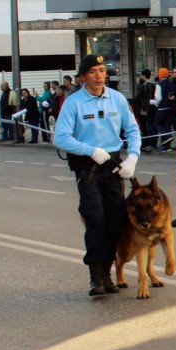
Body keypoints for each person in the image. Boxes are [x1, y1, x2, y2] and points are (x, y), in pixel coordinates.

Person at [54, 54, 142, 297]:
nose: (98, 75)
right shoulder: (74, 103)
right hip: (88, 166)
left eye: (102, 70)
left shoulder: (117, 99)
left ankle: (108, 271)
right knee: (95, 218)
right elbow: (60, 137)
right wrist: (90, 150)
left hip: (112, 164)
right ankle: (96, 275)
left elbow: (133, 130)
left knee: (115, 219)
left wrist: (132, 158)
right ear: (82, 76)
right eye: (92, 71)